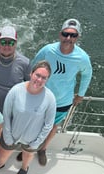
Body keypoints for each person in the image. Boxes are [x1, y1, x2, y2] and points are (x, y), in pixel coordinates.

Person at [17, 18, 92, 165]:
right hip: (41, 97)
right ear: (60, 34)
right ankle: (27, 149)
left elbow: (87, 74)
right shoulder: (48, 50)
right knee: (35, 123)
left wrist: (81, 94)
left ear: (78, 37)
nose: (68, 38)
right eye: (65, 34)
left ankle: (43, 148)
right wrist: (28, 86)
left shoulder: (82, 57)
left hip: (63, 100)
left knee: (52, 126)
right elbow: (34, 66)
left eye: (73, 35)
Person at [0, 60, 56, 174]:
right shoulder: (16, 90)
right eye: (37, 75)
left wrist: (37, 141)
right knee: (3, 153)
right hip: (12, 134)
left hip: (32, 139)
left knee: (28, 155)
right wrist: (7, 135)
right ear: (31, 74)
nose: (39, 80)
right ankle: (0, 164)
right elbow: (6, 114)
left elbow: (49, 124)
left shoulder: (50, 98)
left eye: (44, 78)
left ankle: (24, 168)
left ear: (47, 80)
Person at [0, 24, 31, 113]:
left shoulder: (25, 63)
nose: (7, 46)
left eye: (11, 43)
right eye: (3, 42)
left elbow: (31, 87)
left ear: (16, 44)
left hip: (14, 111)